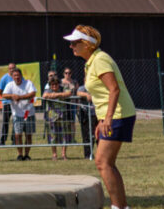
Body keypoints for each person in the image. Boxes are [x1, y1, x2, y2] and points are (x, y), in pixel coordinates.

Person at [66, 25, 136, 209]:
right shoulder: (91, 62)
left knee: (103, 162)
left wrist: (109, 118)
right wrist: (101, 120)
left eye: (74, 43)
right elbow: (101, 95)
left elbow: (114, 89)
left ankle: (118, 206)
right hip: (111, 115)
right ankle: (120, 206)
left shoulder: (100, 59)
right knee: (106, 163)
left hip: (118, 114)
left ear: (87, 44)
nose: (71, 46)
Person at [2, 68, 37, 161]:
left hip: (28, 113)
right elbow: (4, 95)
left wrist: (20, 97)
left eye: (18, 75)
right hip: (17, 114)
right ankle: (20, 154)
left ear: (21, 75)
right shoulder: (10, 85)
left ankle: (27, 155)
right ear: (12, 77)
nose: (17, 77)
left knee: (28, 135)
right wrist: (12, 96)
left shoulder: (28, 83)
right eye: (15, 75)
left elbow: (33, 93)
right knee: (17, 135)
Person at [44, 71, 72, 160]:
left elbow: (68, 93)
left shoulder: (63, 88)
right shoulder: (48, 90)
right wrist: (55, 95)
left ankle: (63, 154)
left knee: (64, 135)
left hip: (63, 115)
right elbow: (44, 95)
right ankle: (54, 154)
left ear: (58, 84)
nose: (54, 86)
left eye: (56, 84)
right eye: (52, 85)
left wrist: (56, 95)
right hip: (52, 117)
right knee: (53, 136)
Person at [0, 63, 16, 146]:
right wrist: (6, 97)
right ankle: (3, 140)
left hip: (16, 103)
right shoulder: (4, 78)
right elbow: (0, 90)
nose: (12, 69)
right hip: (7, 103)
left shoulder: (18, 77)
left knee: (16, 121)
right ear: (8, 69)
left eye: (13, 68)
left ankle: (14, 139)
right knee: (5, 122)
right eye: (10, 68)